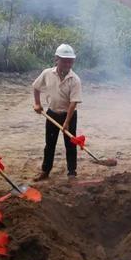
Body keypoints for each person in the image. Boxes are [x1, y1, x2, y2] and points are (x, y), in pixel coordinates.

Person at [32, 44, 82, 181]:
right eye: (65, 60)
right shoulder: (47, 73)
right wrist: (37, 103)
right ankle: (45, 171)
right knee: (49, 144)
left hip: (69, 115)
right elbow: (36, 87)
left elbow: (73, 103)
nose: (68, 63)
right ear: (56, 60)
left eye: (70, 61)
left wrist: (66, 122)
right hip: (52, 113)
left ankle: (72, 172)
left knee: (71, 144)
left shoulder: (75, 80)